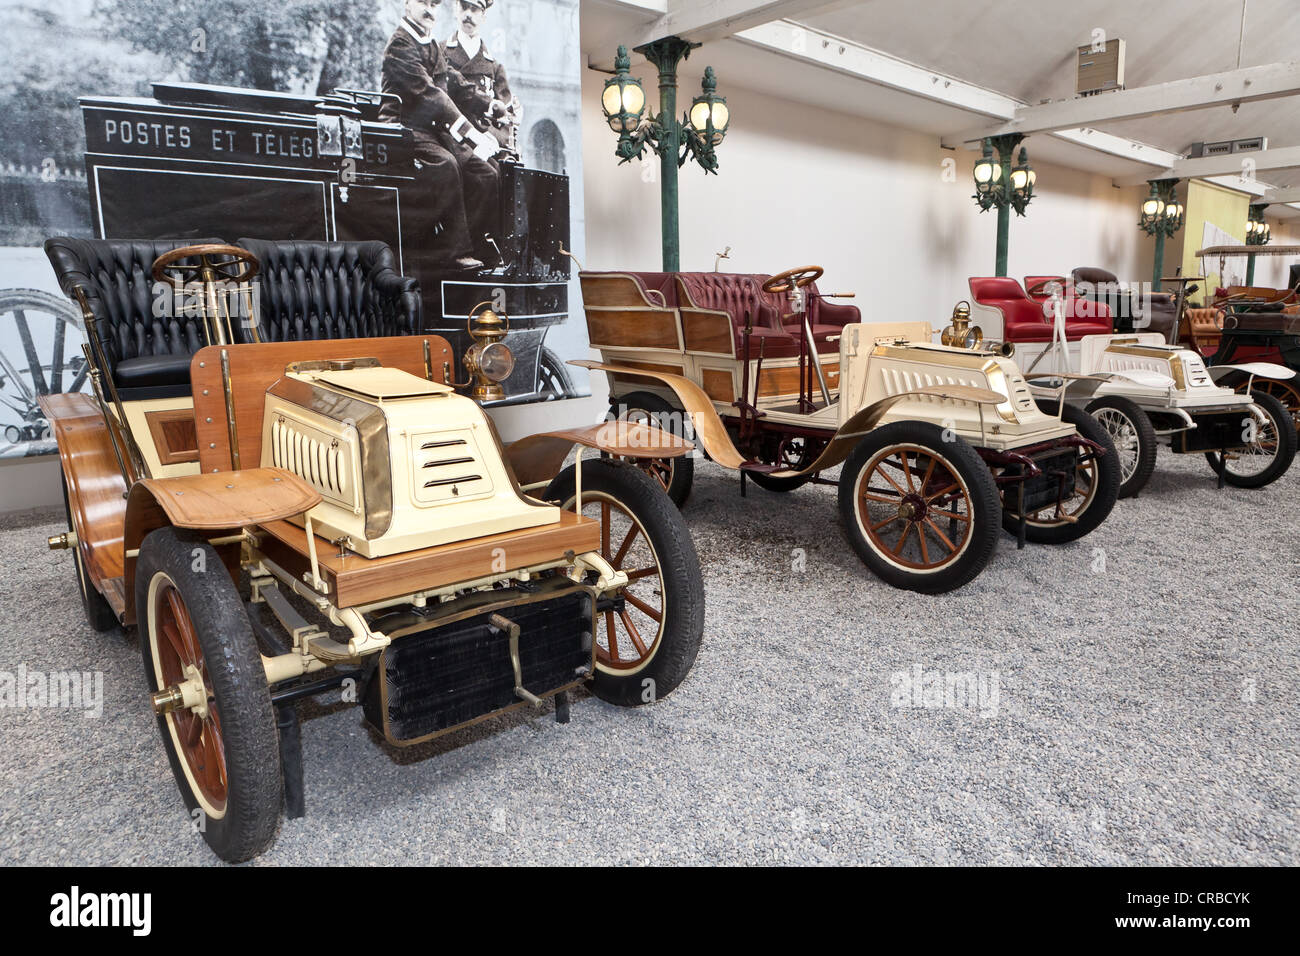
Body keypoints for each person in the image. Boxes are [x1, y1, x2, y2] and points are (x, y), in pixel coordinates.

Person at [380, 0, 500, 270]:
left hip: (431, 131)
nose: (429, 10)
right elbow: (429, 94)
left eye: (434, 4)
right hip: (402, 128)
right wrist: (470, 133)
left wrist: (488, 104)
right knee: (446, 165)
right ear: (407, 4)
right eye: (422, 2)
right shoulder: (400, 45)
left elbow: (453, 81)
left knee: (485, 172)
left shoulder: (428, 42)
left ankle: (479, 248)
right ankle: (450, 253)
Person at [443, 0, 519, 153]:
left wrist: (494, 140)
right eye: (464, 7)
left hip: (486, 143)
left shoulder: (495, 68)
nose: (468, 15)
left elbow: (506, 123)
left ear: (484, 16)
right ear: (455, 9)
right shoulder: (440, 53)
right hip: (448, 138)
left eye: (475, 9)